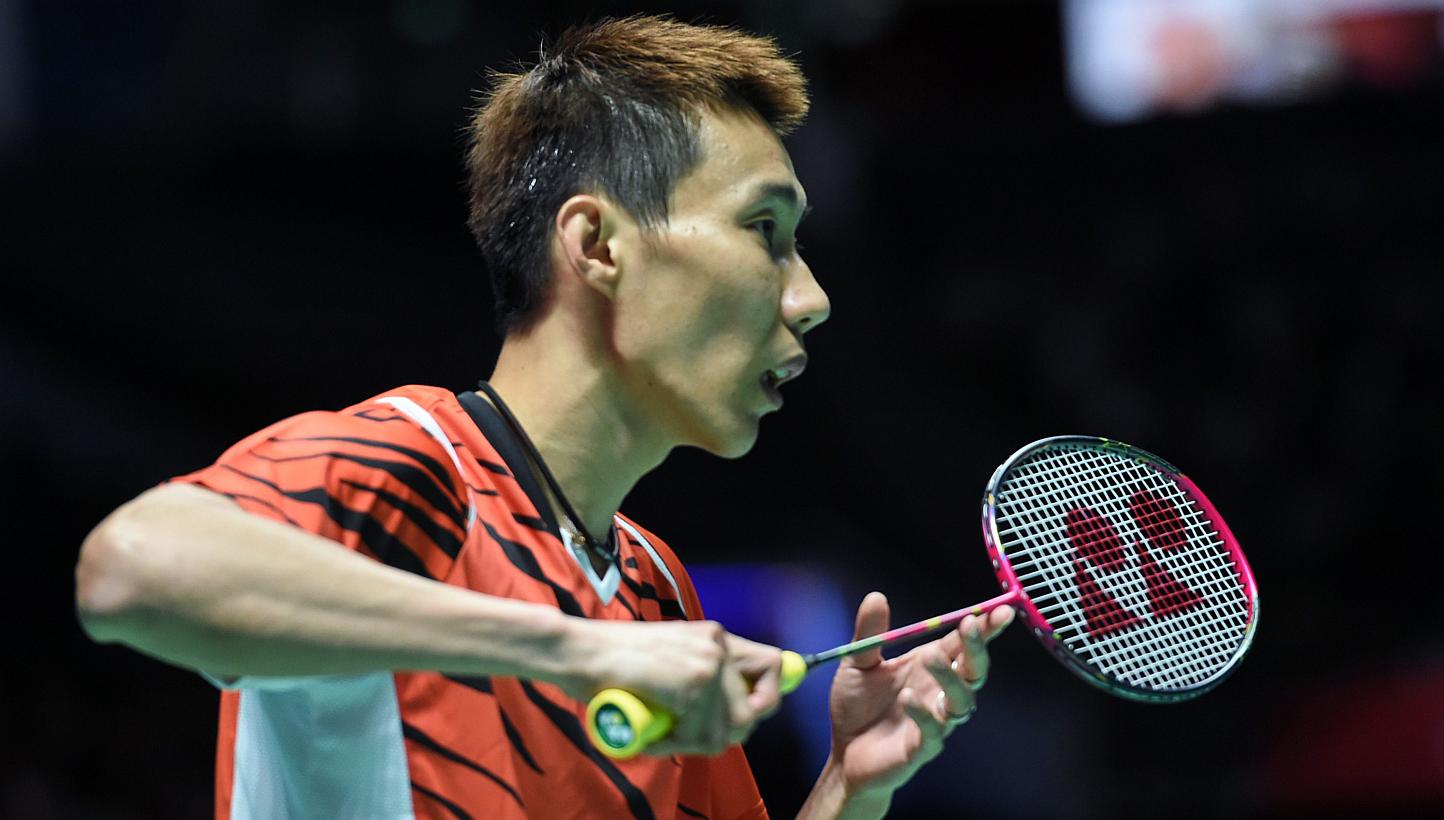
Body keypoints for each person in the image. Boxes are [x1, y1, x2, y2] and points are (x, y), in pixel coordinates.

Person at [75, 15, 1013, 820]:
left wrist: (850, 790)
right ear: (598, 245)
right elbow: (128, 570)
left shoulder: (647, 585)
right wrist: (578, 651)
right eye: (762, 230)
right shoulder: (411, 462)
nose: (809, 298)